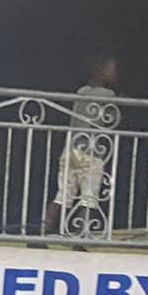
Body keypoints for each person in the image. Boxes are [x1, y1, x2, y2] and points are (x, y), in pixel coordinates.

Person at [48, 52, 119, 237]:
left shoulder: (82, 91)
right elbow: (110, 120)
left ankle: (44, 230)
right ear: (101, 71)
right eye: (112, 69)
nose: (115, 73)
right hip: (91, 152)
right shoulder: (108, 95)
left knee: (63, 194)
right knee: (89, 197)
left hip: (72, 148)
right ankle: (80, 237)